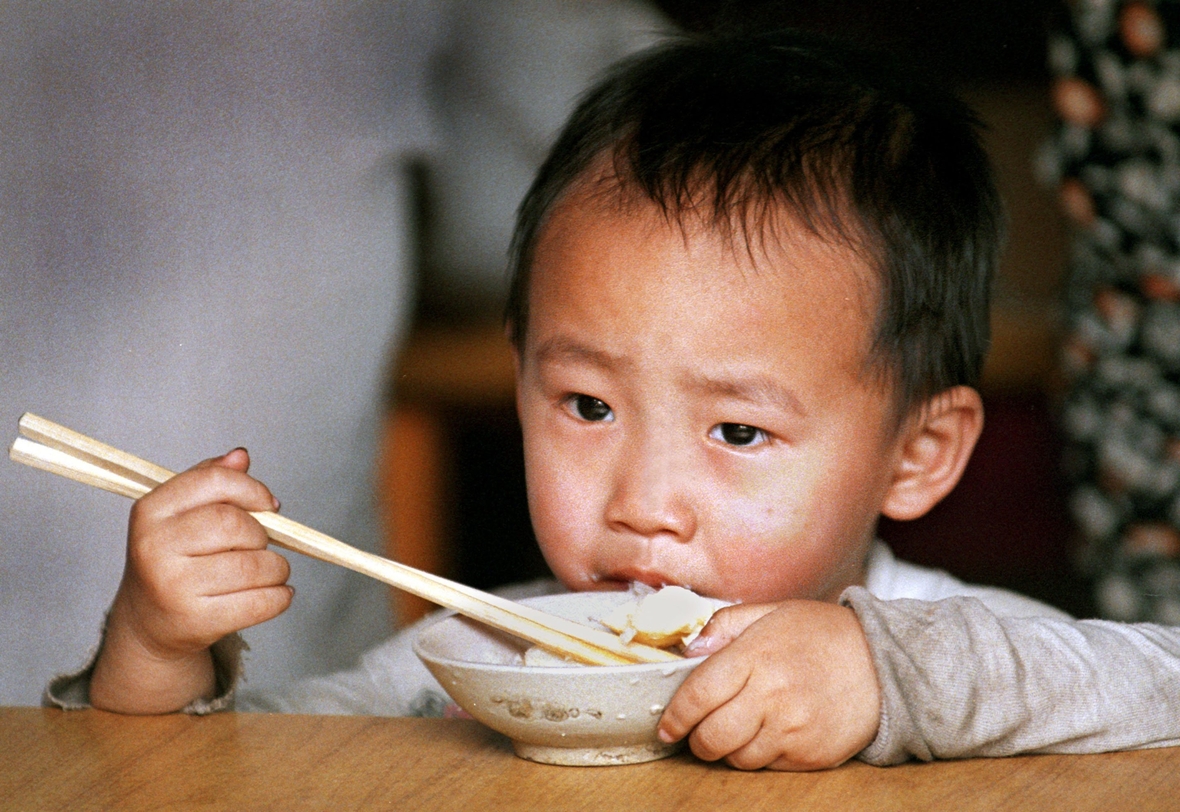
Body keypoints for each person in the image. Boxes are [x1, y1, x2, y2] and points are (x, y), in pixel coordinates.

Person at [46, 28, 1180, 770]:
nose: (643, 501)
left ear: (918, 452)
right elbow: (217, 773)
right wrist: (154, 654)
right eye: (587, 406)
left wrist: (885, 677)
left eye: (736, 430)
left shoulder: (957, 649)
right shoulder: (476, 663)